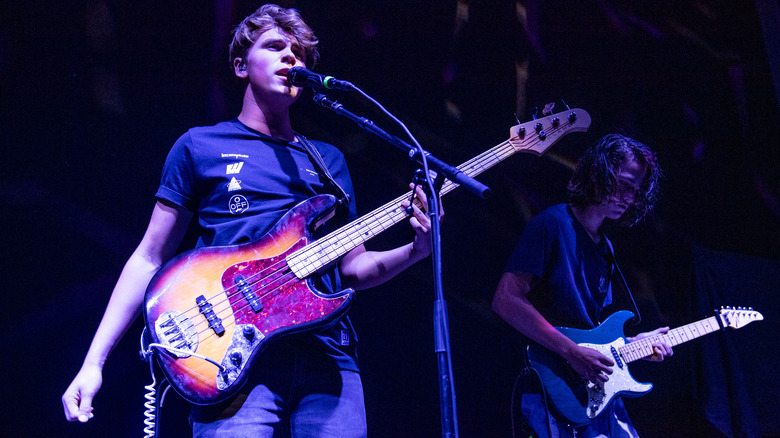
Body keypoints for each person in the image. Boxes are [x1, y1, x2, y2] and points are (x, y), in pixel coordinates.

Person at [62, 4, 439, 437]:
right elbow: (149, 257)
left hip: (326, 353)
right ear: (241, 66)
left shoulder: (328, 160)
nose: (290, 58)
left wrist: (417, 250)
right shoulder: (200, 146)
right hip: (228, 353)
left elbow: (353, 268)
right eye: (276, 46)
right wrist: (94, 363)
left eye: (298, 53)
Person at [491, 134, 673, 437]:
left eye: (637, 189)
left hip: (594, 392)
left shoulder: (606, 248)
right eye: (626, 183)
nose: (630, 196)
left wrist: (635, 344)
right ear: (600, 171)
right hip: (549, 388)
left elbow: (591, 333)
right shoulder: (551, 224)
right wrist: (572, 353)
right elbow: (505, 300)